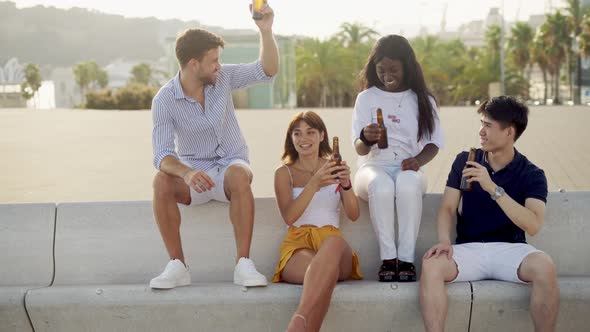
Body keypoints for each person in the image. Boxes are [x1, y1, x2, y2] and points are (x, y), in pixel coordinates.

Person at [149, 2, 279, 289]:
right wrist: (186, 173)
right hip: (195, 177)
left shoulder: (223, 78)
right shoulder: (164, 100)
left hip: (231, 167)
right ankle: (178, 266)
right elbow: (161, 155)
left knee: (238, 174)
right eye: (213, 61)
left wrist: (266, 31)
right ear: (194, 65)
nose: (218, 66)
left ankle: (243, 264)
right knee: (161, 181)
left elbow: (267, 70)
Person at [420, 96, 559, 332]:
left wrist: (492, 188)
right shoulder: (465, 160)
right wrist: (444, 240)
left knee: (545, 266)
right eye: (481, 123)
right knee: (431, 265)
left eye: (488, 125)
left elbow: (533, 224)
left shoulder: (532, 174)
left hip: (511, 249)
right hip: (469, 248)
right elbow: (447, 208)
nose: (480, 131)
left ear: (509, 132)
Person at [352, 35, 444, 282]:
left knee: (407, 184)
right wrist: (366, 137)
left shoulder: (423, 99)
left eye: (393, 69)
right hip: (372, 166)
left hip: (408, 165)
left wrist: (417, 161)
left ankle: (406, 260)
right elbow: (359, 149)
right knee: (381, 186)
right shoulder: (366, 98)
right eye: (381, 70)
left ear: (407, 67)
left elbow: (434, 143)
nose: (386, 75)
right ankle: (388, 260)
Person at [273, 111, 363, 332]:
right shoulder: (284, 173)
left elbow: (353, 214)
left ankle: (299, 318)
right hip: (298, 245)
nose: (304, 139)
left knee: (332, 244)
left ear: (322, 135)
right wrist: (314, 183)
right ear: (291, 139)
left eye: (310, 132)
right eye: (297, 133)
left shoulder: (335, 166)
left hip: (332, 245)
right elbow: (289, 216)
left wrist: (346, 184)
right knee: (324, 275)